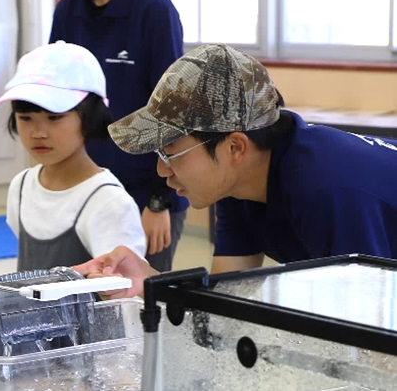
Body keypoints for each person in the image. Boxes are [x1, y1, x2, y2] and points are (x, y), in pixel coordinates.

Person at [75, 43, 397, 296]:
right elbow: (225, 308)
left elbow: (372, 337)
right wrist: (150, 283)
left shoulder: (328, 190)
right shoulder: (240, 186)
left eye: (171, 153)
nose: (162, 171)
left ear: (235, 147)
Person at [48, 0, 188, 272]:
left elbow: (172, 112)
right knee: (79, 302)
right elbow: (57, 102)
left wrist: (160, 202)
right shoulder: (67, 12)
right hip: (85, 188)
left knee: (137, 307)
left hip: (145, 193)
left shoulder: (153, 10)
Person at [0, 41, 146, 271]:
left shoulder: (108, 202)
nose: (38, 133)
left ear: (91, 117)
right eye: (25, 118)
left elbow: (123, 293)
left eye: (54, 118)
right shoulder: (21, 187)